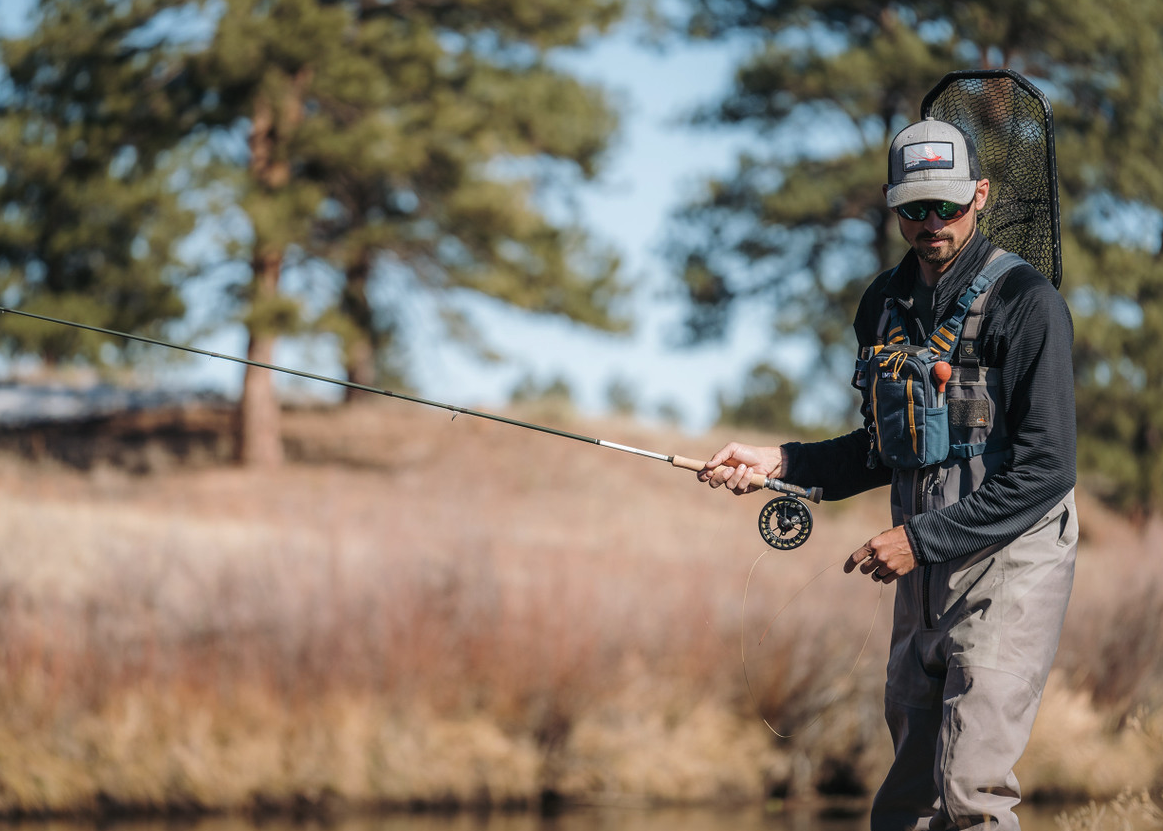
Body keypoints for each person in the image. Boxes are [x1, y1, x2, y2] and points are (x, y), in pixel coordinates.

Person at [699, 118, 1078, 831]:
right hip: (924, 566)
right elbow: (882, 448)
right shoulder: (881, 305)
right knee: (906, 798)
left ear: (981, 195)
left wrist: (919, 539)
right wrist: (781, 462)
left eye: (947, 204)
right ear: (890, 204)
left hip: (1011, 562)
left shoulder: (1028, 305)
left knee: (971, 789)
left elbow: (1048, 469)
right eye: (913, 208)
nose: (930, 222)